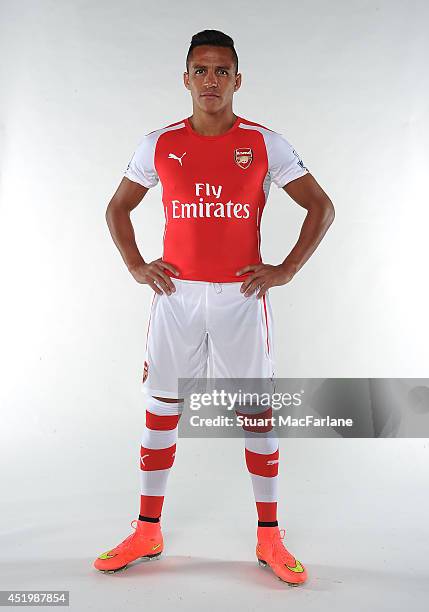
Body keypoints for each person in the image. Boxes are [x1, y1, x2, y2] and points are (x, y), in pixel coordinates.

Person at [93, 29, 334, 585]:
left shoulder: (265, 143)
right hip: (175, 297)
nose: (211, 80)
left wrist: (286, 268)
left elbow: (320, 206)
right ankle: (147, 528)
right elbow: (118, 209)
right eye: (200, 70)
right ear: (186, 79)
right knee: (162, 409)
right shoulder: (158, 143)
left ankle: (269, 536)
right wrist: (135, 265)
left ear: (237, 80)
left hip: (241, 297)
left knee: (256, 412)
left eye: (221, 71)